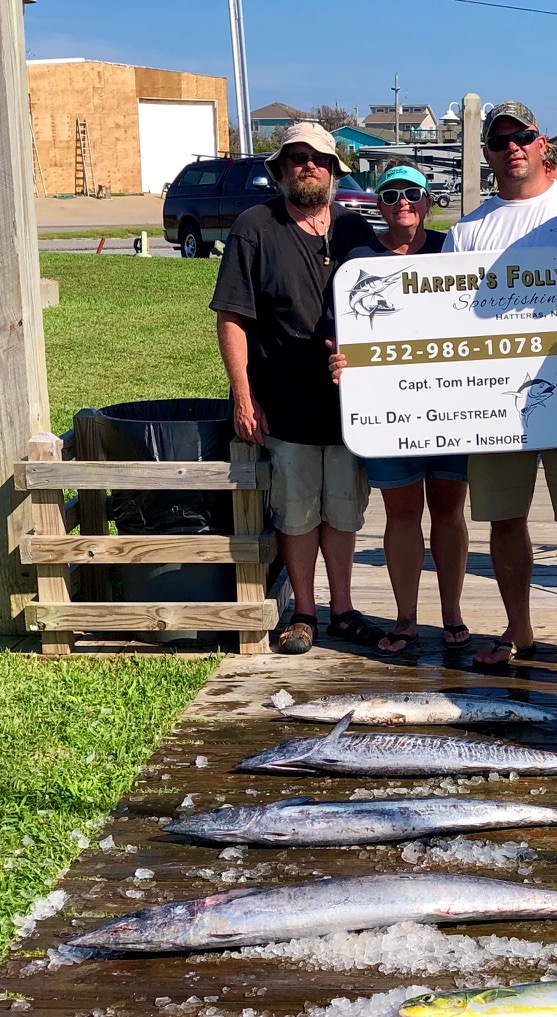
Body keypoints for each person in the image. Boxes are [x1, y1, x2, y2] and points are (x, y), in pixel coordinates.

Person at [444, 101, 557, 672]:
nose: (512, 148)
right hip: (497, 407)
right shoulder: (468, 229)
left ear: (542, 140)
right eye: (500, 141)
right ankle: (518, 628)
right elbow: (445, 319)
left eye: (522, 136)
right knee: (505, 518)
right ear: (486, 153)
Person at [210, 121, 384, 656]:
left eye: (318, 159)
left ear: (334, 171)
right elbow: (232, 317)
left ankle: (344, 609)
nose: (308, 165)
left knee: (344, 511)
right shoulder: (255, 226)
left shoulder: (355, 231)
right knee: (297, 512)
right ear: (280, 169)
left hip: (350, 409)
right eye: (296, 158)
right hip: (284, 404)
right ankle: (304, 611)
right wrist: (243, 393)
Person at [330, 162, 471, 656]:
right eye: (390, 196)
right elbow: (341, 332)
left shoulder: (454, 250)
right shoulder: (358, 261)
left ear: (429, 201)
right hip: (390, 411)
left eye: (412, 193)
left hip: (453, 407)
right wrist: (339, 357)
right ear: (379, 206)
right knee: (402, 513)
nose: (402, 203)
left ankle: (452, 613)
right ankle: (407, 617)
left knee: (450, 513)